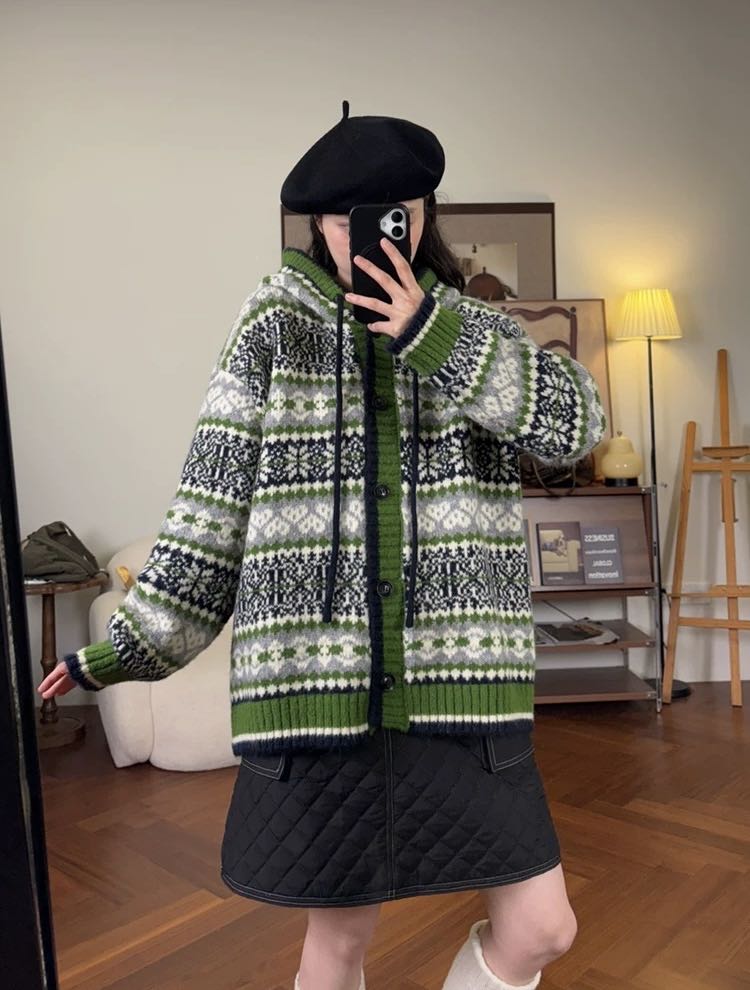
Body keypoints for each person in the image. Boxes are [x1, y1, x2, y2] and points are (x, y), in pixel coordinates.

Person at [39, 101, 607, 990]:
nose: (365, 234)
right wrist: (119, 653)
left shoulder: (476, 327)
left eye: (389, 213)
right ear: (317, 224)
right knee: (339, 945)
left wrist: (431, 335)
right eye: (344, 218)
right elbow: (210, 514)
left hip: (463, 695)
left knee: (543, 928)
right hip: (321, 698)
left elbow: (575, 428)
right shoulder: (273, 325)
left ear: (422, 214)